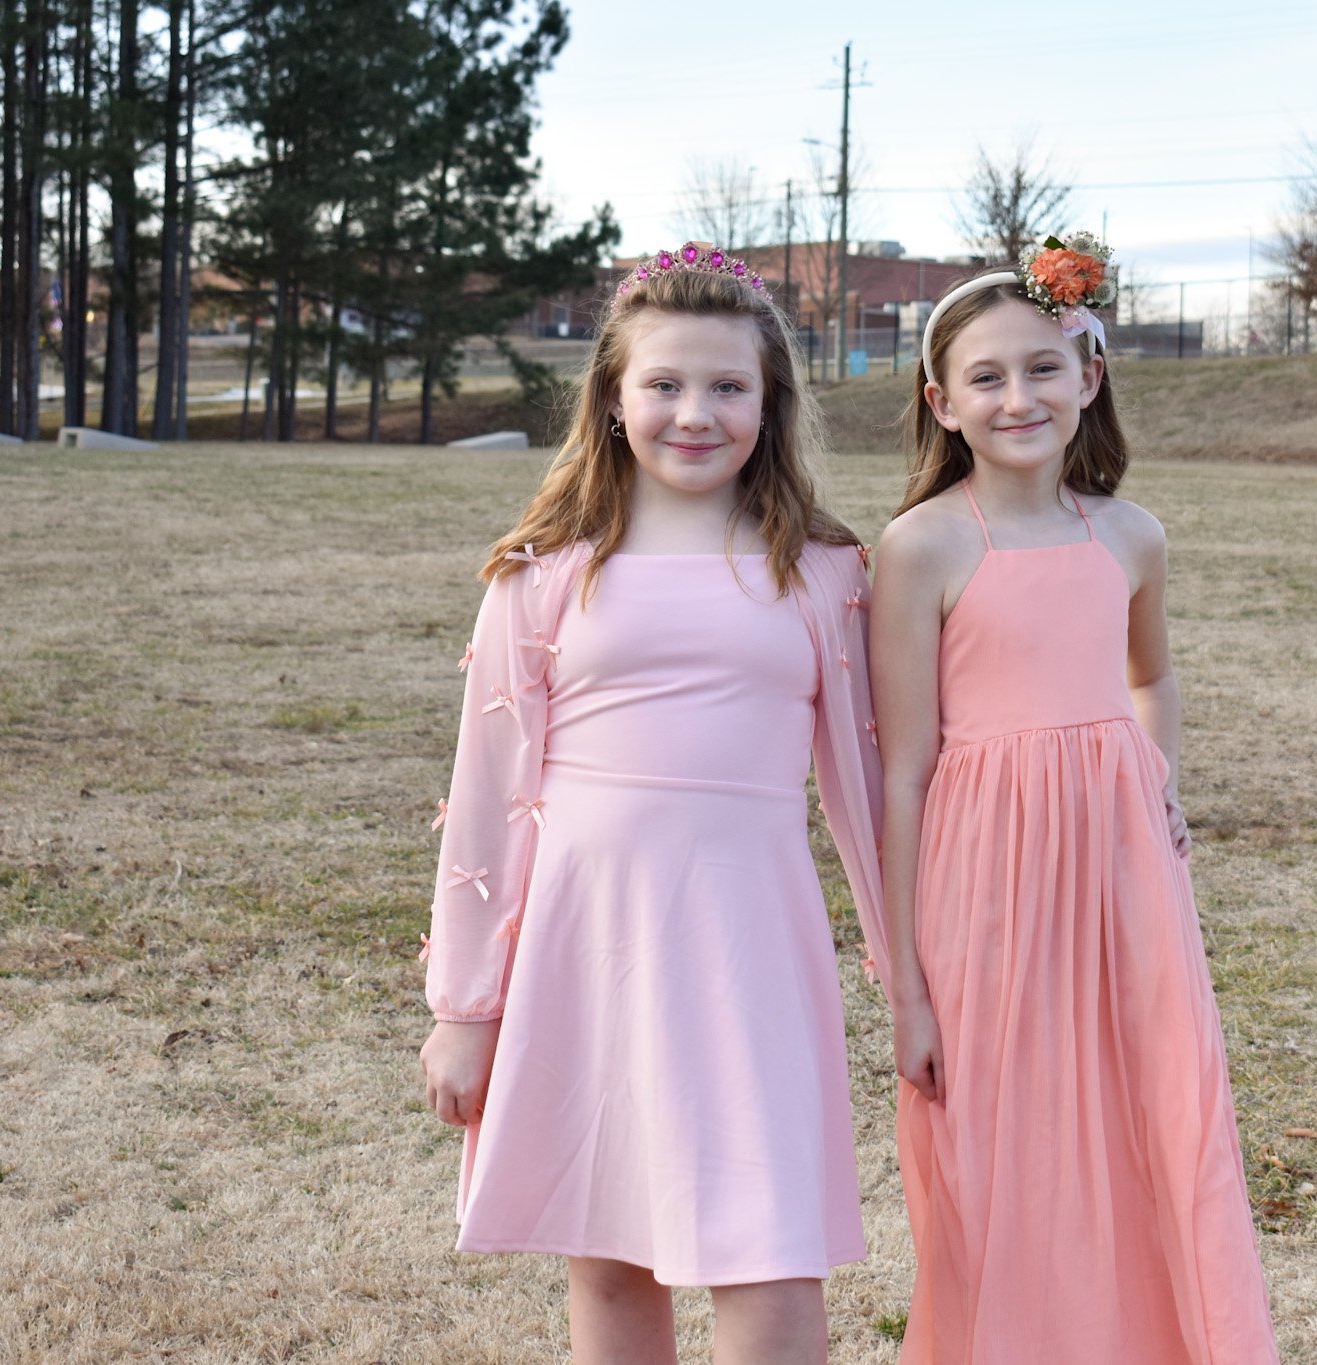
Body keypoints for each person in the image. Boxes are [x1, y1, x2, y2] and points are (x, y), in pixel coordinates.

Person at [416, 244, 889, 1364]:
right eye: (664, 385)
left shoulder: (820, 571)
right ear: (614, 401)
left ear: (769, 404)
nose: (694, 413)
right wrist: (464, 1005)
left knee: (766, 1245)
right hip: (586, 941)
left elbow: (864, 792)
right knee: (611, 1243)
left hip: (749, 944)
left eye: (728, 387)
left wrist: (906, 971)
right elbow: (489, 797)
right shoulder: (542, 571)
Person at [870, 233, 1279, 1363]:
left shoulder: (1131, 534)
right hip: (985, 885)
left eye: (1042, 368)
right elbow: (900, 771)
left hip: (1121, 880)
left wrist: (1159, 780)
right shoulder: (920, 548)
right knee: (1007, 1144)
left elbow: (1148, 675)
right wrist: (902, 977)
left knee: (1151, 1114)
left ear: (1088, 375)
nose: (1018, 396)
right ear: (941, 403)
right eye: (986, 377)